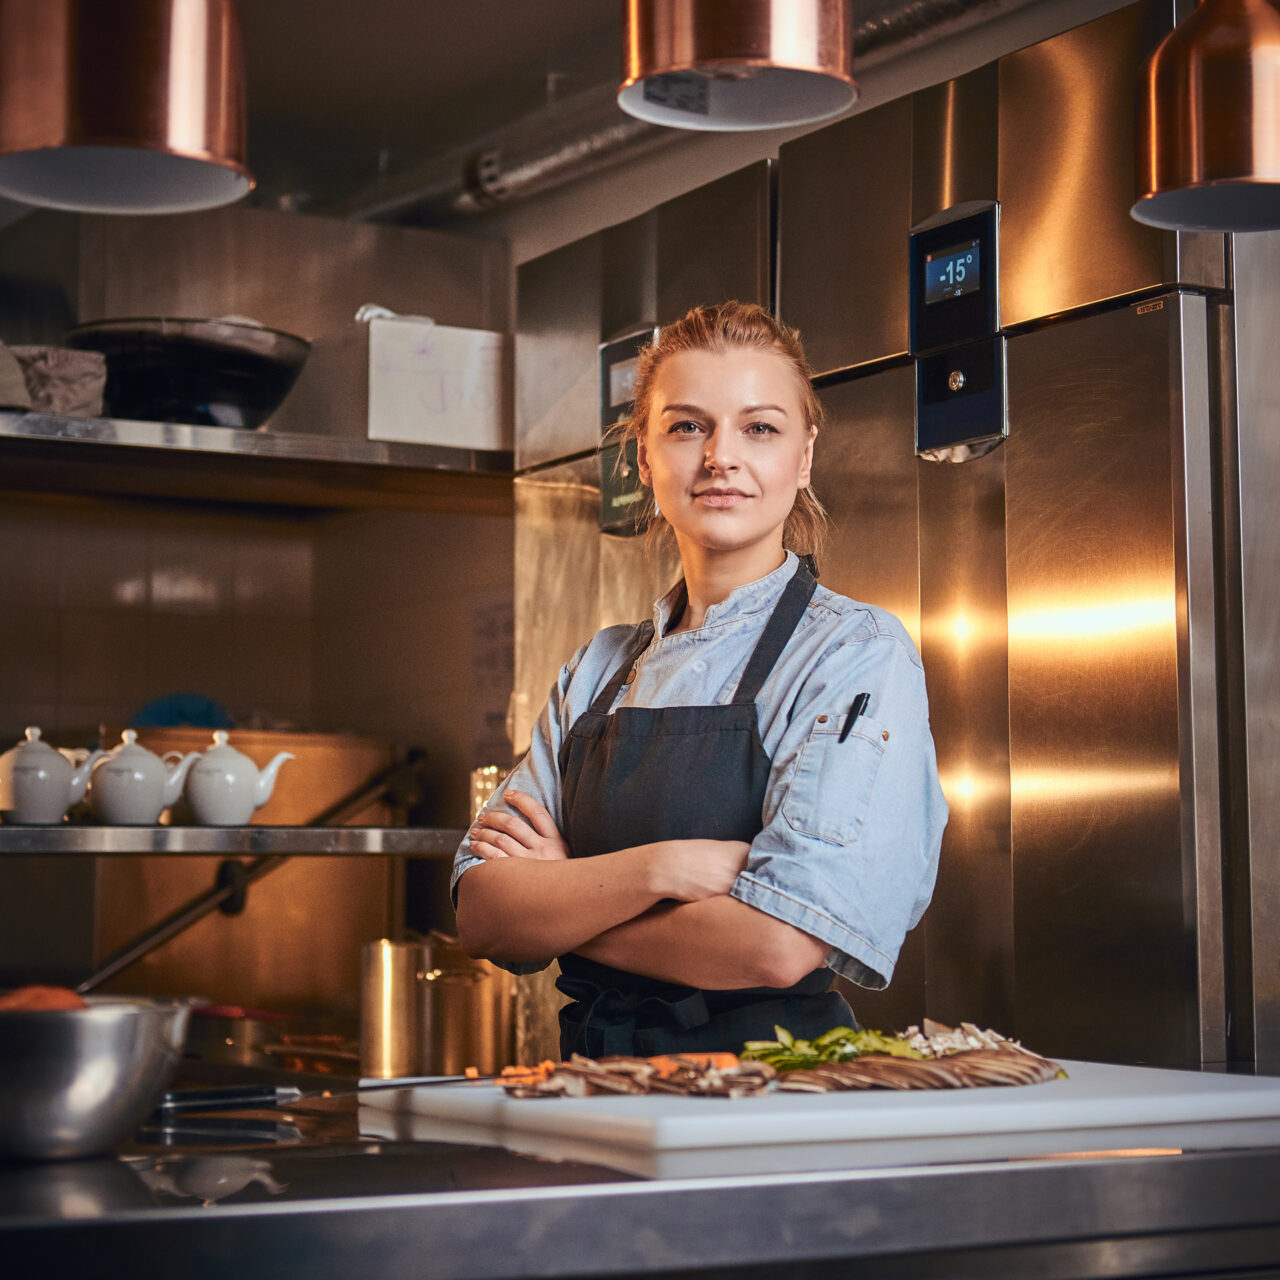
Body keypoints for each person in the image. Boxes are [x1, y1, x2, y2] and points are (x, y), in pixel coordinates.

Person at [452, 301, 947, 1059]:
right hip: (592, 1093)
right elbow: (484, 913)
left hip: (768, 1099)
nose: (720, 456)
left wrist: (571, 898)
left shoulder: (855, 653)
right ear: (644, 459)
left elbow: (778, 946)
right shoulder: (599, 669)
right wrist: (665, 869)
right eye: (687, 426)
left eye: (760, 427)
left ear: (803, 456)